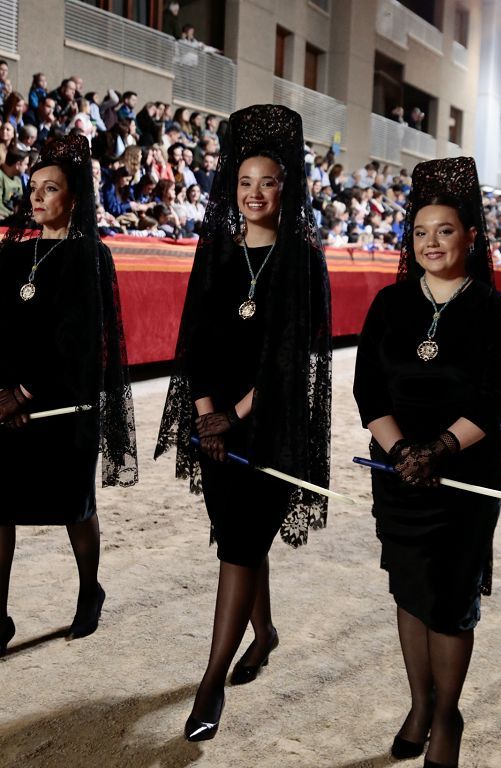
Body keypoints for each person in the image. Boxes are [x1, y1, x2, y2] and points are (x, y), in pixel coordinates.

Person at [155, 104, 331, 741]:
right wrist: (206, 416)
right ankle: (265, 634)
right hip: (215, 430)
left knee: (238, 544)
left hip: (270, 428)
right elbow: (195, 345)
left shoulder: (302, 263)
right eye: (245, 183)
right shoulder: (219, 258)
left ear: (287, 190)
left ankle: (209, 686)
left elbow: (290, 362)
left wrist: (234, 415)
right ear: (233, 188)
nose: (255, 194)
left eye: (269, 183)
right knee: (240, 535)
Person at [353, 156, 501, 768]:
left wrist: (439, 449)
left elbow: (496, 397)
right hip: (398, 474)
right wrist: (400, 451)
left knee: (449, 598)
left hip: (464, 475)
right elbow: (370, 390)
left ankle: (447, 718)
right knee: (411, 588)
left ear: (471, 236)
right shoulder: (390, 305)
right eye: (420, 232)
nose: (431, 243)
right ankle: (420, 703)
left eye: (444, 230)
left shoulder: (493, 311)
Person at [0, 134, 138, 657]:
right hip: (8, 408)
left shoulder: (89, 255)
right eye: (33, 187)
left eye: (50, 189)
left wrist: (24, 393)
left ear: (73, 198)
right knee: (0, 508)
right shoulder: (10, 256)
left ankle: (89, 592)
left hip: (63, 407)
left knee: (74, 508)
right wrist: (2, 394)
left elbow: (79, 338)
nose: (36, 198)